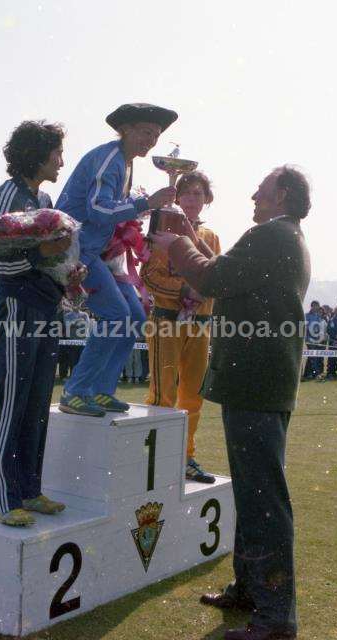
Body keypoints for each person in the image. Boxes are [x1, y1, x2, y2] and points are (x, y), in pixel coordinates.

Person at [150, 165, 311, 640]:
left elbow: (213, 278)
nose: (253, 196)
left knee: (263, 498)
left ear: (282, 194)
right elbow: (222, 273)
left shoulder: (271, 236)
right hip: (263, 384)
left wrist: (174, 240)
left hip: (257, 385)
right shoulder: (285, 237)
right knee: (253, 491)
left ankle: (277, 615)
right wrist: (188, 238)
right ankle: (250, 590)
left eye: (261, 190)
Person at [0, 120, 76, 527]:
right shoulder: (7, 196)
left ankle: (29, 490)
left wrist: (67, 272)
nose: (61, 160)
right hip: (18, 309)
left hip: (47, 309)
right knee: (12, 405)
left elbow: (47, 258)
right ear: (37, 153)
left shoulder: (44, 199)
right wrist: (41, 256)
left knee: (37, 405)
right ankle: (2, 500)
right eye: (56, 152)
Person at [55, 103, 178, 417]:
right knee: (115, 317)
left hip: (96, 252)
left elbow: (114, 210)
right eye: (145, 132)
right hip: (74, 250)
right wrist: (144, 204)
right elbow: (98, 209)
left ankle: (102, 390)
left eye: (156, 135)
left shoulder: (125, 162)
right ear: (125, 129)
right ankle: (76, 391)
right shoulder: (109, 158)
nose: (151, 140)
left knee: (135, 317)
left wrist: (143, 214)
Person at [141, 171, 220, 483]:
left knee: (193, 395)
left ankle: (185, 457)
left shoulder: (211, 236)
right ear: (176, 197)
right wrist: (184, 290)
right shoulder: (162, 230)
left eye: (198, 194)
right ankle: (154, 459)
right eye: (186, 193)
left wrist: (202, 292)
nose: (192, 199)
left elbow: (217, 274)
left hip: (200, 323)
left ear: (206, 200)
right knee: (162, 393)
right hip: (167, 321)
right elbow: (149, 276)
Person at [302, 300, 323, 380]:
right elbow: (305, 328)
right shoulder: (306, 315)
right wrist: (307, 339)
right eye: (314, 305)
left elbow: (318, 328)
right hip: (309, 339)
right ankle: (312, 374)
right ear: (312, 306)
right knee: (312, 356)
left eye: (317, 305)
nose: (315, 307)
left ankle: (309, 374)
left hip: (316, 339)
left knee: (312, 356)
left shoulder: (318, 316)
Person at [326, 307, 337, 378]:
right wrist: (336, 338)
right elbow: (329, 330)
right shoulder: (331, 320)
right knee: (332, 358)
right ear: (334, 312)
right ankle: (330, 373)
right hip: (333, 342)